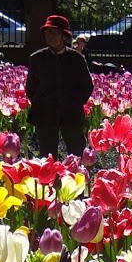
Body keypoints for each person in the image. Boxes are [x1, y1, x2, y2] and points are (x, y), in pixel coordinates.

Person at [25, 14, 94, 158]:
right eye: (47, 32)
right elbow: (31, 87)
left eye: (55, 32)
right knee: (47, 159)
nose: (51, 36)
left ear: (64, 35)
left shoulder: (76, 59)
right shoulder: (37, 59)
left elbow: (87, 85)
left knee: (77, 156)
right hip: (45, 115)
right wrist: (41, 101)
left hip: (72, 115)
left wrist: (74, 102)